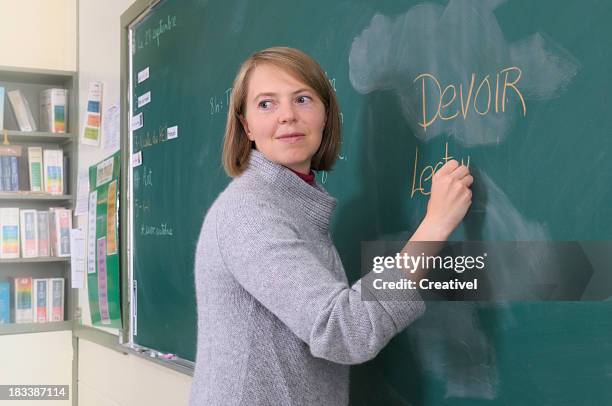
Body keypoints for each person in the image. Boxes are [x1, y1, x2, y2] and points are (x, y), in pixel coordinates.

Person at [189, 46, 473, 405]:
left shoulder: (292, 201)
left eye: (303, 99)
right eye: (266, 104)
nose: (287, 116)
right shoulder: (250, 212)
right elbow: (342, 331)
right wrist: (434, 227)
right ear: (246, 125)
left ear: (325, 114)